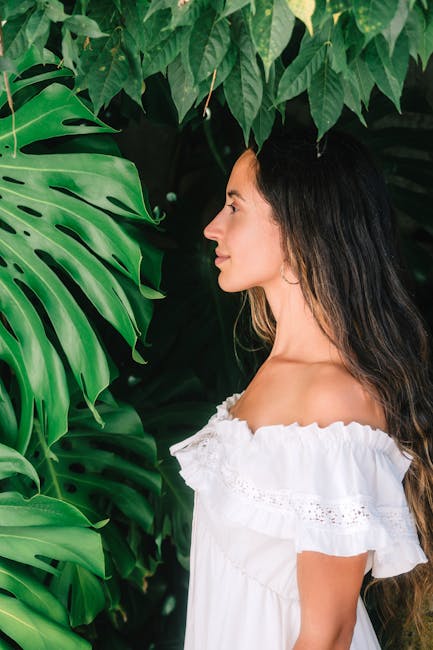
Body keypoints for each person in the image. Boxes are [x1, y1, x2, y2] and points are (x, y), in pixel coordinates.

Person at [169, 127, 433, 649]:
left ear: (299, 226)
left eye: (235, 207)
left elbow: (328, 635)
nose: (212, 227)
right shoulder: (280, 371)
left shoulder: (333, 402)